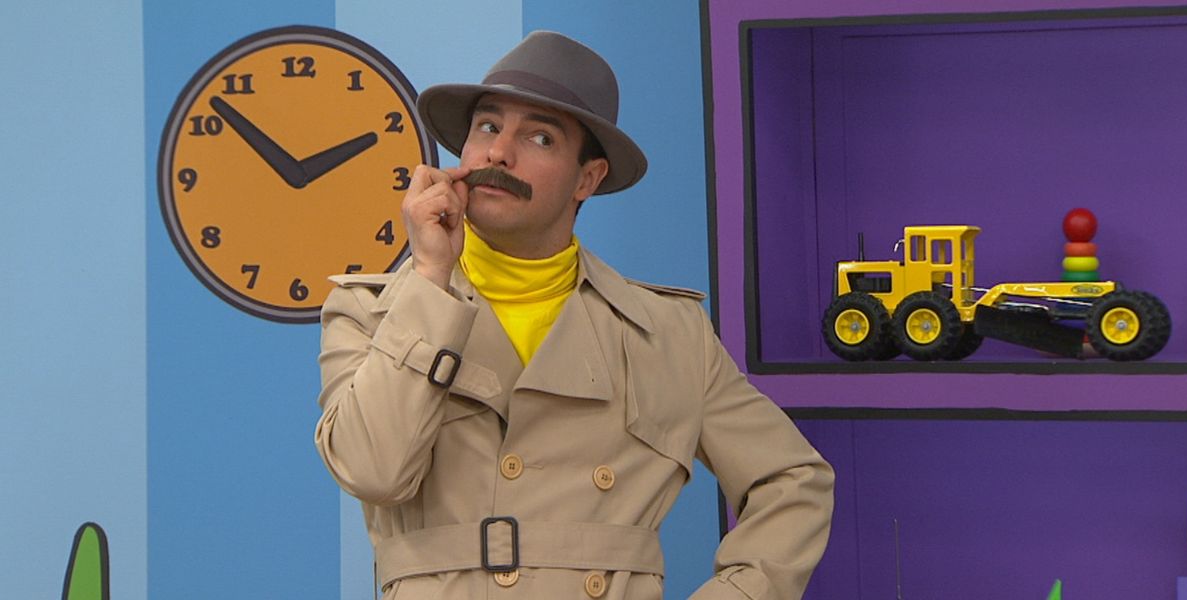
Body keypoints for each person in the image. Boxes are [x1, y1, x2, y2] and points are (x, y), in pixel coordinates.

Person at [315, 31, 833, 599]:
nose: (498, 154)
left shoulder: (668, 333)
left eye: (539, 137)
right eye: (487, 127)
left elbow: (794, 481)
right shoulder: (370, 311)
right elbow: (373, 472)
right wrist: (431, 276)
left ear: (588, 178)